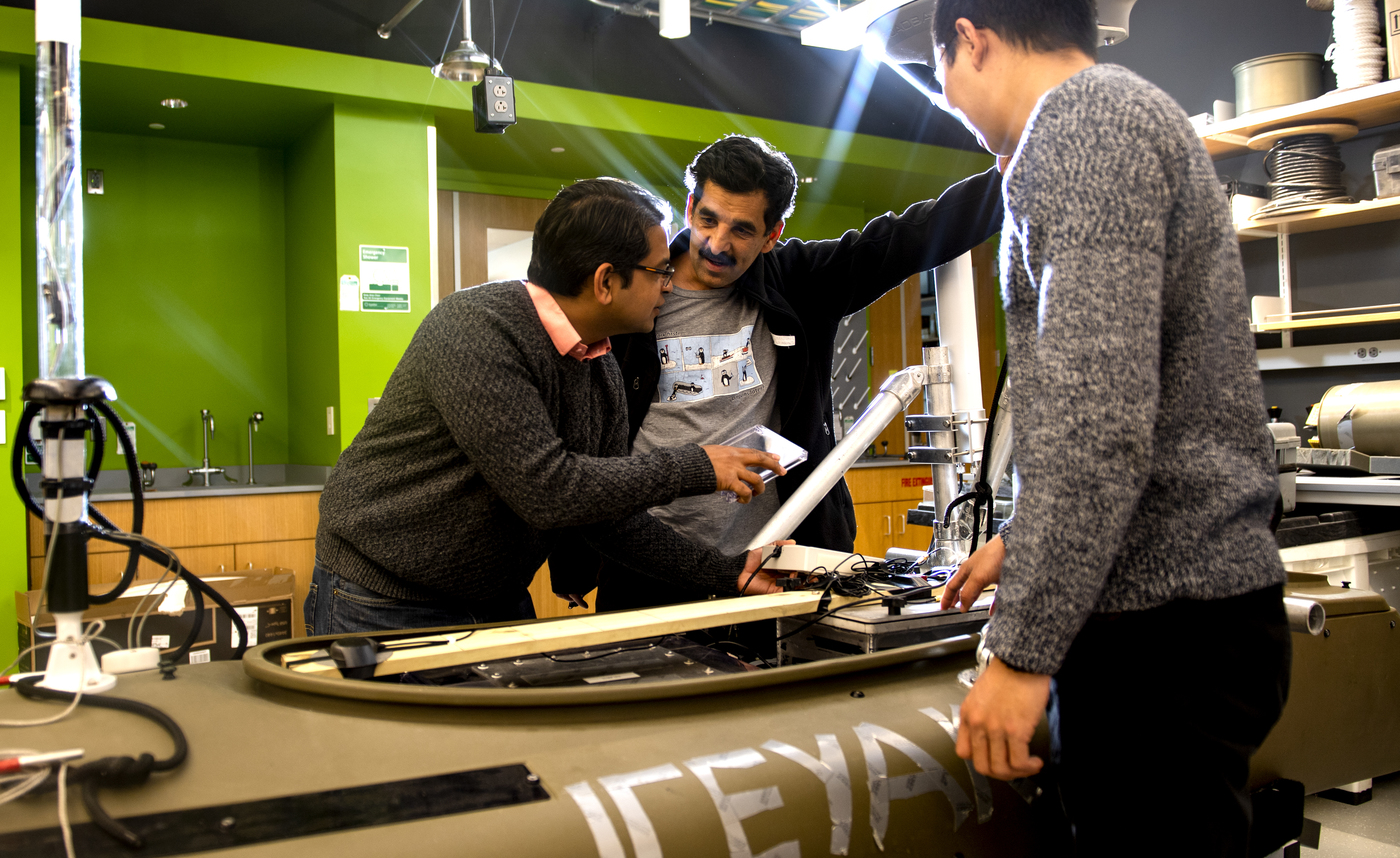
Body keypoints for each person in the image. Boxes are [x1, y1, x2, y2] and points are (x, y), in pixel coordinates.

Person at [930, 0, 1290, 858]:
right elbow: (1107, 397)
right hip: (1164, 612)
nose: (951, 99)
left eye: (940, 72)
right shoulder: (1101, 123)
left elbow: (1099, 416)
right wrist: (1025, 535)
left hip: (1166, 629)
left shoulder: (1088, 124)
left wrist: (1020, 652)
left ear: (969, 40)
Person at [308, 177, 789, 635]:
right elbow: (547, 490)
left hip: (494, 596)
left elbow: (604, 516)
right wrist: (697, 466)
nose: (670, 284)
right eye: (660, 270)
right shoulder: (476, 329)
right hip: (382, 599)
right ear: (605, 281)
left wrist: (727, 575)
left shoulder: (598, 362)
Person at [567, 134, 1005, 613]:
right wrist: (569, 551)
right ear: (690, 205)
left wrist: (1026, 163)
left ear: (772, 235)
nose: (716, 244)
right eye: (707, 219)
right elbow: (574, 429)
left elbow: (910, 236)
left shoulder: (797, 280)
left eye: (741, 230)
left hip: (772, 563)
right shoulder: (636, 286)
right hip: (647, 565)